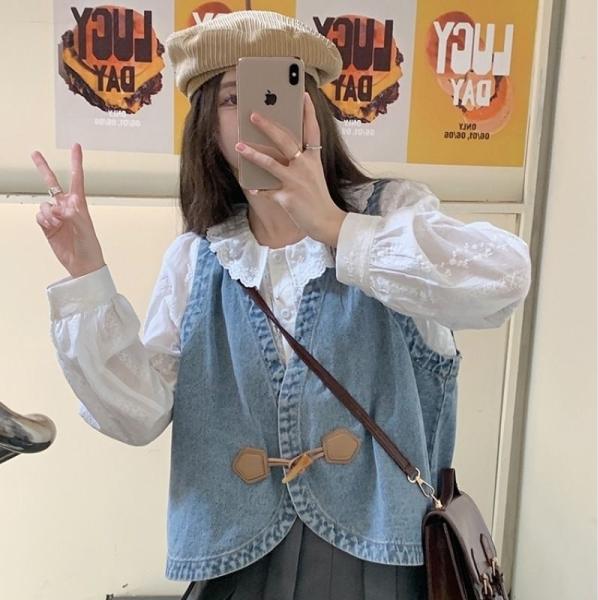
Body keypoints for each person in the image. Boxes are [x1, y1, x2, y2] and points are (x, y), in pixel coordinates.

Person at [30, 10, 532, 600]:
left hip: (380, 565)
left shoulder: (390, 217)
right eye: (234, 98)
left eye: (281, 92)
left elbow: (503, 280)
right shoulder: (198, 259)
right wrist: (87, 273)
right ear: (207, 128)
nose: (260, 115)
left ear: (314, 110)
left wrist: (338, 228)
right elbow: (135, 416)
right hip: (233, 565)